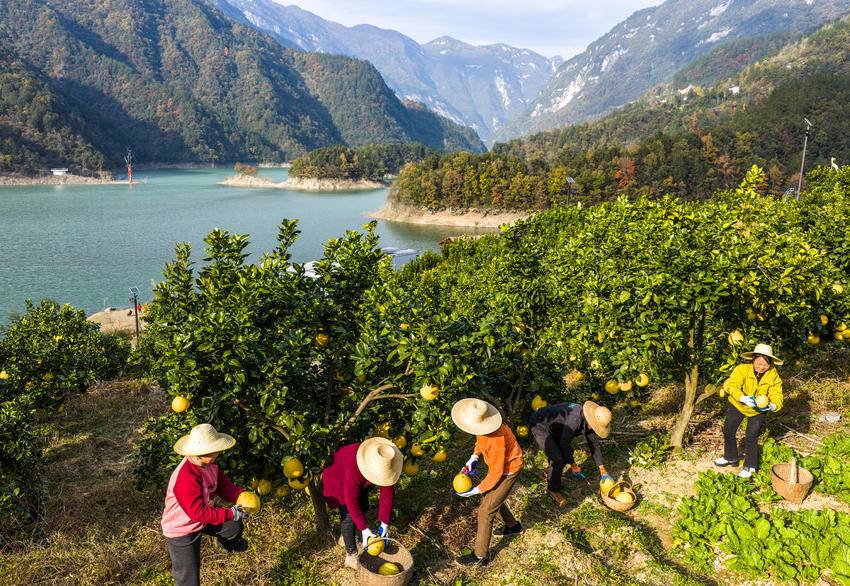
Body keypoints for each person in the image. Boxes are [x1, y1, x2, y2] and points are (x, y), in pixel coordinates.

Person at [161, 423, 249, 586]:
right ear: (201, 454)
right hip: (182, 529)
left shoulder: (210, 464)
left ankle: (227, 544)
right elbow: (198, 512)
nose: (219, 452)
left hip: (204, 517)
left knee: (233, 527)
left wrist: (239, 495)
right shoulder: (186, 477)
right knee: (189, 577)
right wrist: (230, 513)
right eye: (215, 450)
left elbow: (222, 484)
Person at [452, 398, 523, 567]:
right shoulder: (485, 426)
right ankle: (513, 526)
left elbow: (496, 473)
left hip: (509, 471)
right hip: (501, 469)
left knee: (485, 511)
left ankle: (480, 556)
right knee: (492, 498)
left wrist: (476, 489)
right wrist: (474, 456)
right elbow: (480, 440)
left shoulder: (495, 439)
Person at [322, 437, 403, 570]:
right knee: (348, 516)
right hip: (338, 477)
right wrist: (364, 529)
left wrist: (385, 523)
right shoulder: (354, 467)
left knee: (364, 506)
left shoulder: (386, 462)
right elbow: (352, 502)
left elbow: (387, 494)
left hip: (356, 477)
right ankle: (351, 554)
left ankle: (346, 536)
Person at [715, 343, 784, 478]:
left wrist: (774, 405)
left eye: (765, 364)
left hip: (758, 410)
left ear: (770, 363)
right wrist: (742, 397)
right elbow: (730, 384)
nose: (761, 367)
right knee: (728, 430)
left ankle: (750, 467)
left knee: (751, 436)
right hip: (739, 404)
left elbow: (777, 393)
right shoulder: (742, 369)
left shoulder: (773, 375)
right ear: (753, 360)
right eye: (759, 363)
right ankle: (730, 457)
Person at [529, 401, 613, 506]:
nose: (595, 428)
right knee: (558, 458)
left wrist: (602, 470)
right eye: (595, 426)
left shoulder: (588, 419)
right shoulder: (575, 420)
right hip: (540, 424)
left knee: (563, 454)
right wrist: (573, 464)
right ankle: (552, 489)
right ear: (591, 420)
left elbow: (594, 445)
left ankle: (551, 472)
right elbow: (564, 444)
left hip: (556, 427)